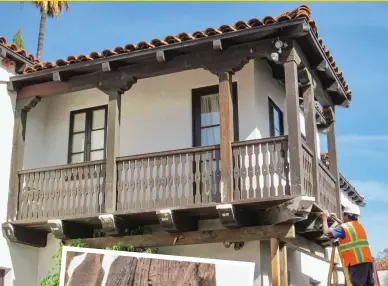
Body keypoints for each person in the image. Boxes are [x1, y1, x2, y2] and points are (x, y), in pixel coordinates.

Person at [322, 204, 374, 286]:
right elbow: (346, 227)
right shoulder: (359, 226)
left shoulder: (344, 227)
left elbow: (327, 232)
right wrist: (336, 219)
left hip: (356, 262)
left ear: (348, 215)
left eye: (344, 215)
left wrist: (324, 218)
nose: (343, 217)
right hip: (367, 262)